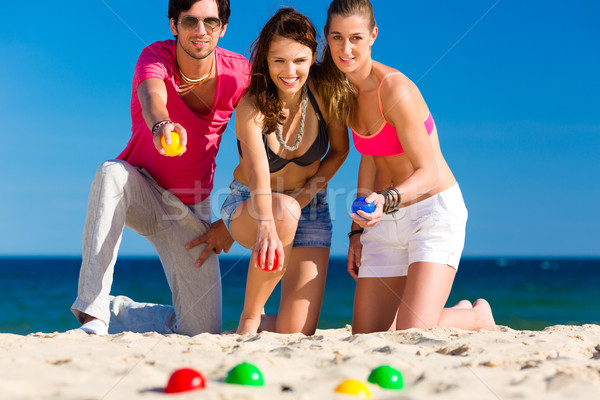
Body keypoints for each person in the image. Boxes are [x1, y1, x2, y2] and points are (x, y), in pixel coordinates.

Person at [70, 0, 250, 336]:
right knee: (111, 171)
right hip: (140, 187)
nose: (200, 31)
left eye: (210, 22)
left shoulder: (239, 73)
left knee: (201, 330)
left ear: (223, 28)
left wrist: (229, 222)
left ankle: (115, 311)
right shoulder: (154, 57)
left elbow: (256, 144)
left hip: (190, 209)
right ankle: (94, 314)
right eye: (190, 21)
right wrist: (162, 125)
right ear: (173, 24)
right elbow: (152, 97)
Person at [322, 0, 496, 334]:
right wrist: (357, 231)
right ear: (328, 39)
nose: (346, 48)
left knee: (411, 332)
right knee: (367, 336)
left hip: (432, 215)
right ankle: (453, 311)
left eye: (356, 37)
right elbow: (369, 156)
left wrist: (383, 200)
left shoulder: (395, 89)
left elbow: (428, 172)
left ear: (373, 35)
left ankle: (476, 316)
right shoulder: (344, 90)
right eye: (337, 37)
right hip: (384, 220)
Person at [220, 8, 350, 335]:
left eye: (299, 61)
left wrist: (306, 197)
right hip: (251, 205)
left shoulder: (325, 93)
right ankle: (250, 318)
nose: (289, 71)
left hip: (311, 207)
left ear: (313, 56)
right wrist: (266, 225)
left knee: (296, 332)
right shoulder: (252, 105)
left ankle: (266, 325)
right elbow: (259, 174)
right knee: (284, 211)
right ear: (265, 60)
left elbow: (340, 150)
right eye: (278, 60)